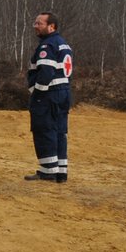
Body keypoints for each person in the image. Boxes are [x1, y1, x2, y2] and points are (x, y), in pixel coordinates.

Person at [25, 11, 73, 183]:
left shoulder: (48, 46)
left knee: (44, 131)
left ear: (51, 26)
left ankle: (47, 172)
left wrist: (36, 91)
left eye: (39, 23)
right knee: (59, 132)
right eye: (35, 23)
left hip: (49, 95)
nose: (35, 26)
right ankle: (60, 172)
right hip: (63, 93)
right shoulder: (63, 44)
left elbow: (46, 72)